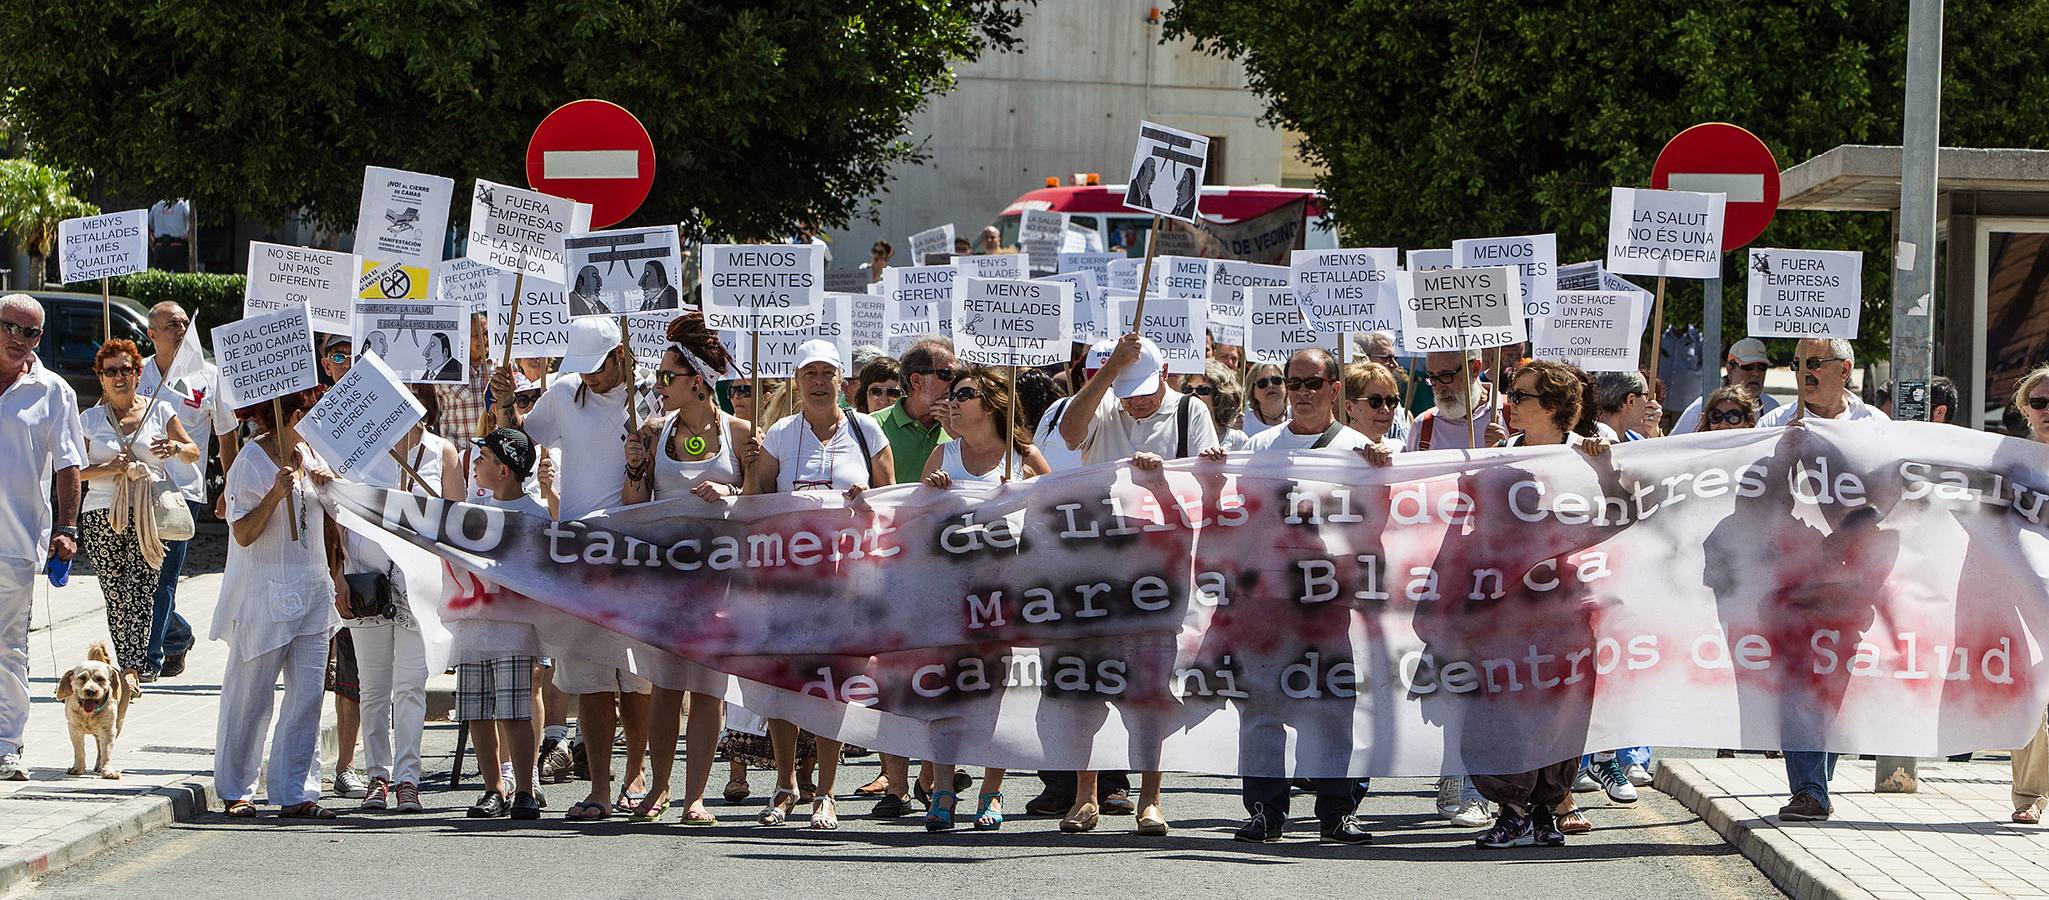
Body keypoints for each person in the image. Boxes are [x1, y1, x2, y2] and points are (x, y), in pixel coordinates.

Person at [1197, 349, 1373, 845]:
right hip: (1266, 601)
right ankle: (1264, 810)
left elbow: (1382, 522)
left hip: (1327, 601)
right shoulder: (1261, 446)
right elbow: (1243, 520)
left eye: (1312, 384)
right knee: (1262, 707)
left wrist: (1380, 473)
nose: (1301, 393)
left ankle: (1337, 811)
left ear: (1334, 388)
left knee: (1332, 707)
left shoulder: (1360, 449)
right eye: (1292, 384)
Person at [1054, 332, 1220, 836]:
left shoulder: (1191, 412)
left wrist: (1164, 479)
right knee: (1088, 686)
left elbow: (1212, 483)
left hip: (1160, 573)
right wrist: (1109, 373)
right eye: (1128, 390)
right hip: (1097, 565)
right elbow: (1068, 432)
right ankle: (1086, 795)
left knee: (1152, 687)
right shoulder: (1106, 405)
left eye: (1144, 389)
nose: (1136, 400)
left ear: (1166, 373)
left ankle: (1151, 798)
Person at [490, 317, 654, 822]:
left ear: (620, 354)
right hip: (582, 558)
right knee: (591, 677)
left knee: (638, 678)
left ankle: (637, 774)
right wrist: (502, 405)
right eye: (580, 368)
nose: (588, 377)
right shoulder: (562, 392)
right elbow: (515, 443)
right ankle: (601, 788)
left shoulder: (649, 395)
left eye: (597, 368)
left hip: (638, 555)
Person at [742, 339, 893, 830]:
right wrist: (748, 465)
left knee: (831, 685)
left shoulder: (865, 429)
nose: (819, 381)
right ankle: (785, 786)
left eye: (828, 372)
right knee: (785, 682)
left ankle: (825, 792)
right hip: (789, 582)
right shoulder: (783, 434)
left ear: (842, 381)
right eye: (810, 372)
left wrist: (867, 496)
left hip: (848, 583)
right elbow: (759, 500)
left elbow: (894, 501)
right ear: (797, 380)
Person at [1471, 359, 1610, 848]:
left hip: (1566, 611)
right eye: (1512, 392)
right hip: (1507, 610)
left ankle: (1548, 806)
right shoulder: (1499, 454)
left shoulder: (1589, 454)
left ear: (1552, 407)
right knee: (1506, 708)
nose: (1510, 402)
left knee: (1560, 711)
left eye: (1522, 395)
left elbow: (1626, 513)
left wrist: (1606, 469)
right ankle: (1511, 808)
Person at [621, 313, 752, 827]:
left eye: (667, 377)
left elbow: (764, 508)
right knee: (666, 687)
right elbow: (634, 504)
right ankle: (658, 787)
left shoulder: (743, 435)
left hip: (722, 582)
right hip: (667, 580)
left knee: (709, 690)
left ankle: (695, 797)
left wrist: (734, 491)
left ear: (697, 381)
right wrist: (635, 465)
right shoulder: (654, 432)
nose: (658, 385)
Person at [918, 365, 1046, 831]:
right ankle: (944, 789)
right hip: (949, 593)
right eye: (951, 394)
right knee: (947, 692)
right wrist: (930, 498)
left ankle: (991, 790)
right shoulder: (942, 455)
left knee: (995, 694)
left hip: (1004, 594)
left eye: (964, 393)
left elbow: (1058, 516)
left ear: (992, 401)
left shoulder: (1024, 456)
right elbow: (915, 528)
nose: (953, 401)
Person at [213, 385, 344, 819]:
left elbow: (332, 519)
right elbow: (243, 534)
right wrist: (274, 494)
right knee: (251, 695)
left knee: (307, 695)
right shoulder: (250, 461)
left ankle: (297, 790)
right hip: (264, 594)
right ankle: (236, 789)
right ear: (290, 413)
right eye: (310, 409)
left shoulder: (316, 454)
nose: (317, 416)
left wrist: (332, 487)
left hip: (311, 590)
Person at [344, 419, 459, 814]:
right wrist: (337, 574)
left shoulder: (441, 451)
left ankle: (408, 779)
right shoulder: (360, 444)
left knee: (409, 687)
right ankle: (378, 776)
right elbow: (336, 512)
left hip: (419, 589)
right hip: (367, 585)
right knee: (373, 689)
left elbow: (456, 521)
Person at [77, 339, 200, 677]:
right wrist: (111, 468)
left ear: (137, 373)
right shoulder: (89, 420)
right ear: (100, 377)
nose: (119, 377)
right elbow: (74, 472)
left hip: (150, 514)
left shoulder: (159, 410)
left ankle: (133, 670)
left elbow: (193, 451)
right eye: (111, 371)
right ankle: (129, 665)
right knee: (117, 594)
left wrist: (175, 446)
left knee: (143, 590)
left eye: (126, 369)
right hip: (102, 513)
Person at [0, 295, 84, 780]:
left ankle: (6, 743)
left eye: (30, 333)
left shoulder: (53, 391)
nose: (18, 338)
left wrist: (67, 529)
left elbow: (69, 463)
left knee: (8, 646)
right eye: (9, 326)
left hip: (14, 540)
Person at [138, 301, 236, 682]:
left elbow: (227, 439)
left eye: (183, 322)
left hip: (184, 492)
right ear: (152, 334)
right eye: (171, 324)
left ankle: (150, 657)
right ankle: (176, 634)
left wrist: (230, 485)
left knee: (162, 576)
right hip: (139, 489)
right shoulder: (136, 372)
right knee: (142, 576)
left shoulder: (209, 377)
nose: (181, 329)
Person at [457, 428, 549, 820]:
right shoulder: (472, 511)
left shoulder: (535, 515)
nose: (475, 464)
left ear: (505, 470)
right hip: (474, 623)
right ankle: (493, 787)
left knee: (514, 711)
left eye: (484, 459)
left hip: (515, 628)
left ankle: (525, 788)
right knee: (478, 710)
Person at [314, 335, 369, 799]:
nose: (345, 362)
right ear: (324, 364)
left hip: (377, 562)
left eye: (353, 353)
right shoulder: (311, 419)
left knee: (383, 673)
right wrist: (334, 574)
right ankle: (344, 764)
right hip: (332, 562)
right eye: (336, 354)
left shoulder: (385, 415)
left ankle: (386, 765)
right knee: (341, 674)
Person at [2007, 366, 2049, 823]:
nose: (2047, 410)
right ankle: (2030, 794)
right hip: (2024, 594)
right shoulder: (2009, 465)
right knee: (2031, 693)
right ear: (2024, 409)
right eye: (2039, 402)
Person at [1758, 339, 1888, 427]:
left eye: (1813, 363)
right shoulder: (1773, 424)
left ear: (1844, 369)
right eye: (1797, 364)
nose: (1803, 372)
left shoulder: (1875, 423)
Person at [1671, 338, 1782, 433]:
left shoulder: (1773, 408)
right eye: (1748, 367)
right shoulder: (1700, 407)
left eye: (1762, 367)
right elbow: (1675, 447)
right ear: (1730, 370)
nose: (1756, 373)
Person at [1407, 349, 1507, 450]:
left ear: (1474, 369)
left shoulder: (1513, 414)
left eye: (1446, 375)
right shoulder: (1422, 426)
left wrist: (1508, 447)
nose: (1438, 388)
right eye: (1432, 377)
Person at [435, 312, 494, 443]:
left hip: (493, 456)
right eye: (476, 335)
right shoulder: (445, 370)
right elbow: (432, 406)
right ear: (464, 337)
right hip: (458, 455)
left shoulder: (501, 366)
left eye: (486, 333)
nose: (484, 339)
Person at [1182, 362, 1248, 450]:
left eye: (1202, 390)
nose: (1193, 395)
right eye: (1188, 389)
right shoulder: (1177, 434)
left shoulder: (1237, 440)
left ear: (1219, 397)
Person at [1341, 361, 1406, 445]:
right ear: (1349, 407)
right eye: (1375, 401)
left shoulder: (1400, 449)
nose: (1385, 409)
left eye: (1391, 401)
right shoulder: (1334, 450)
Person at [1591, 371, 1650, 442]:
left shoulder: (1637, 440)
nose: (1649, 402)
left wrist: (1655, 432)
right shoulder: (1586, 443)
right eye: (1646, 396)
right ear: (1631, 400)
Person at [1242, 362, 1289, 437]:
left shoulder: (1299, 415)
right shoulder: (1243, 423)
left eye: (1276, 380)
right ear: (1252, 391)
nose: (1270, 385)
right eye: (1262, 383)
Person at [1693, 387, 1759, 433]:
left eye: (1733, 417)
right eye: (1716, 416)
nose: (1723, 425)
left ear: (1747, 422)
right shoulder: (1696, 450)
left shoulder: (1757, 451)